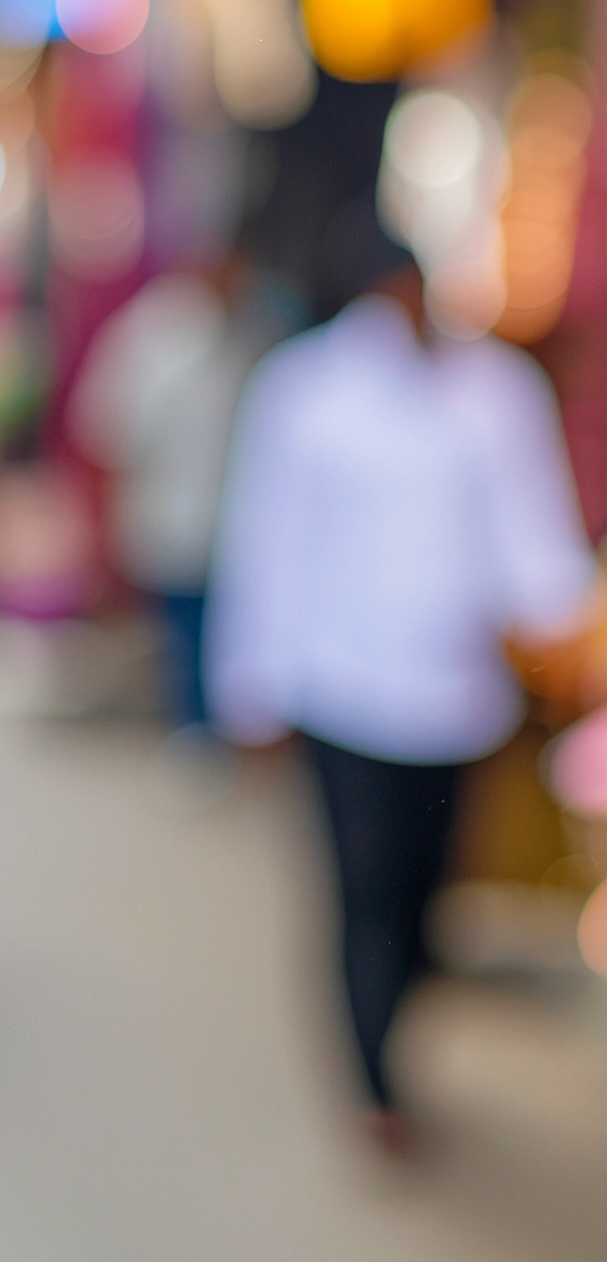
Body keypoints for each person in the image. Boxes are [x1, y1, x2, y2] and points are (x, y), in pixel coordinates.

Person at [207, 227, 596, 1148]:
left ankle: (399, 1022)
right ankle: (373, 1083)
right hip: (343, 690)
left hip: (458, 696)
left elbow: (531, 529)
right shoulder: (305, 391)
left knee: (425, 889)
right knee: (363, 888)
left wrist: (568, 628)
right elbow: (268, 540)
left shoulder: (495, 392)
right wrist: (250, 685)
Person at [68, 259, 271, 740]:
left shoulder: (256, 331)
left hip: (234, 521)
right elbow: (109, 428)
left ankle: (217, 726)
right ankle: (192, 727)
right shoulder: (155, 332)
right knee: (184, 628)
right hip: (171, 516)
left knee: (226, 631)